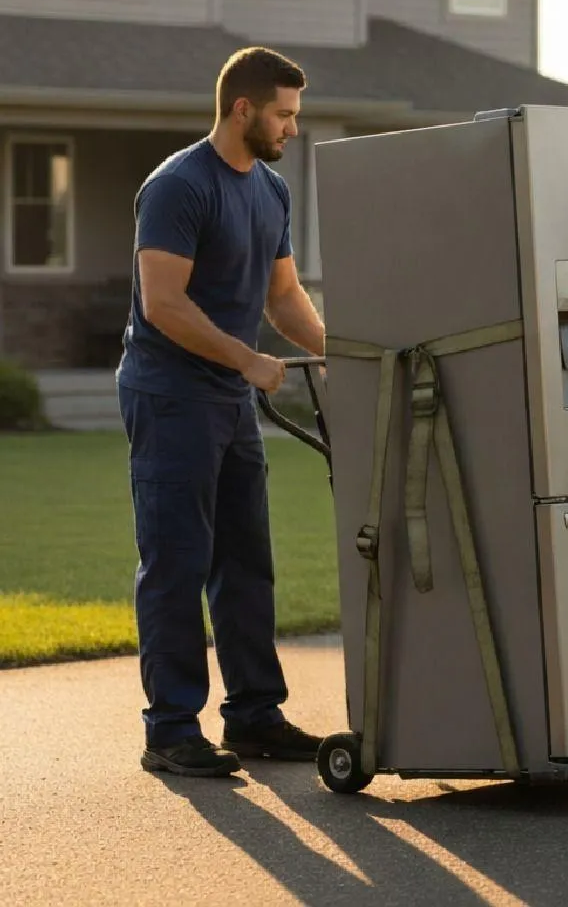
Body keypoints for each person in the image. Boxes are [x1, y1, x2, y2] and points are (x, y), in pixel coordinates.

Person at [117, 46, 328, 777]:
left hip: (228, 399)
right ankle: (170, 730)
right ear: (243, 110)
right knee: (176, 561)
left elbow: (284, 296)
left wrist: (346, 351)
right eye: (284, 115)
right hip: (170, 395)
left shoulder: (270, 190)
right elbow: (163, 303)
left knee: (245, 559)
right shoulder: (179, 186)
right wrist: (247, 360)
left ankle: (254, 717)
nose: (292, 130)